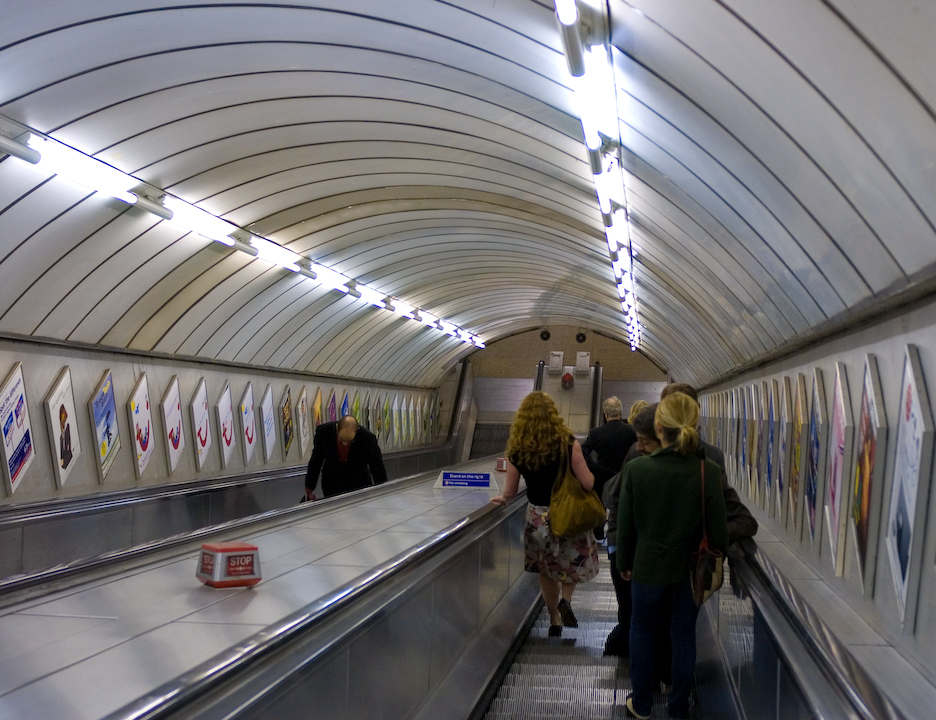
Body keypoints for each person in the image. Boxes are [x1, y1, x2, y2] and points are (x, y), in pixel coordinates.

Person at [618, 392, 728, 720]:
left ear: (659, 427)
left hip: (648, 567)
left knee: (643, 629)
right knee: (683, 635)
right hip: (690, 570)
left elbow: (626, 527)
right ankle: (679, 708)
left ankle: (641, 705)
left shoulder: (638, 469)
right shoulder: (706, 471)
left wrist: (625, 562)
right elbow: (719, 533)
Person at [490, 391, 599, 637]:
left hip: (537, 517)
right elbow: (588, 483)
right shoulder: (569, 444)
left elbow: (509, 491)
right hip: (569, 514)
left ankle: (554, 618)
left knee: (545, 569)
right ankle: (567, 600)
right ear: (553, 415)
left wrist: (501, 499)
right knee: (570, 563)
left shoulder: (518, 450)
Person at [660, 383, 758, 545]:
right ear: (698, 408)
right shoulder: (711, 460)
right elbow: (740, 519)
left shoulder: (639, 458)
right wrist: (708, 536)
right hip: (696, 563)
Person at [602, 402, 660, 659]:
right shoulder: (705, 464)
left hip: (633, 550)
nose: (639, 446)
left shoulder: (636, 461)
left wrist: (619, 554)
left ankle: (640, 685)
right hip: (655, 557)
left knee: (632, 614)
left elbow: (618, 507)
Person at [304, 415, 388, 499]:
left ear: (356, 431)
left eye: (349, 441)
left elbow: (377, 467)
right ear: (337, 429)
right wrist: (309, 486)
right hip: (332, 485)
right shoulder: (323, 432)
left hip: (359, 486)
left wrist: (383, 491)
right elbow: (316, 460)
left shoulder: (367, 438)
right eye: (341, 439)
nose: (344, 443)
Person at [582, 396, 637, 499]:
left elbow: (583, 453)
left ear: (605, 414)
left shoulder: (595, 433)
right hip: (624, 478)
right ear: (620, 413)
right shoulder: (631, 431)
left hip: (602, 481)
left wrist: (595, 468)